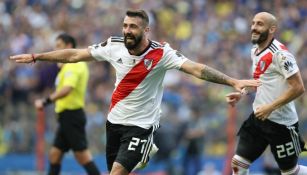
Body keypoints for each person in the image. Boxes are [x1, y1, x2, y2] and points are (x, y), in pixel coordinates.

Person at [11, 10, 260, 175]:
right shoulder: (113, 45)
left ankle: (144, 148)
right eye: (125, 25)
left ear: (146, 30)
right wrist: (37, 56)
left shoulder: (162, 54)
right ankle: (142, 155)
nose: (127, 30)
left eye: (133, 27)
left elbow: (196, 69)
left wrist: (232, 81)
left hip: (141, 127)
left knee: (117, 172)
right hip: (114, 124)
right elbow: (75, 54)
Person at [225, 12, 306, 175]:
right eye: (253, 23)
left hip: (282, 124)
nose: (254, 27)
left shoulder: (281, 54)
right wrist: (243, 92)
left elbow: (298, 88)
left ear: (272, 29)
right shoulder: (254, 50)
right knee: (237, 165)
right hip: (259, 119)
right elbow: (260, 82)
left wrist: (270, 107)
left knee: (290, 172)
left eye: (260, 24)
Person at [34, 33, 100, 175]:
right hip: (66, 116)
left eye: (59, 46)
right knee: (54, 154)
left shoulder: (74, 64)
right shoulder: (67, 66)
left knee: (82, 156)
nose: (55, 50)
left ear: (69, 46)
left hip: (72, 115)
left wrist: (45, 101)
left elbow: (67, 89)